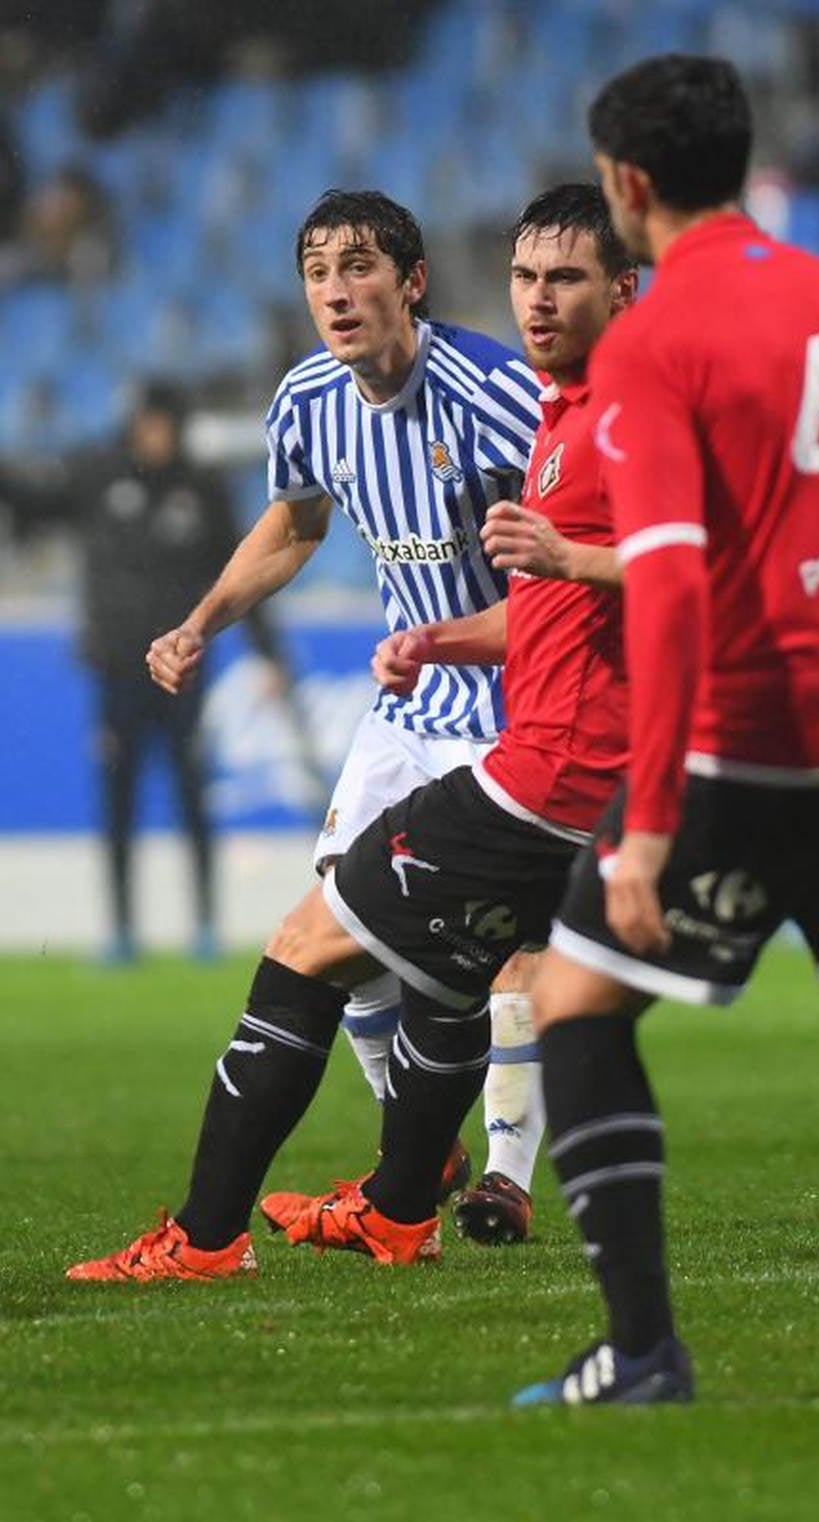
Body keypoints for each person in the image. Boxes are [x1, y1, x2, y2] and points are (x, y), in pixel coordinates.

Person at [65, 182, 638, 1282]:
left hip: (516, 712)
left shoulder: (504, 395)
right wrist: (200, 622)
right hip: (408, 709)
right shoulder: (310, 401)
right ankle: (412, 1181)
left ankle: (429, 1188)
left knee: (398, 959)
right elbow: (296, 520)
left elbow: (581, 566)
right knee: (365, 949)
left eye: (360, 267)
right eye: (318, 271)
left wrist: (472, 638)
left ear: (411, 283)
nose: (337, 290)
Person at [512, 53, 819, 1410]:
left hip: (751, 742)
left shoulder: (656, 343)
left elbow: (670, 584)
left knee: (573, 1002)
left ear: (626, 186)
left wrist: (651, 826)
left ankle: (643, 1352)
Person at [76, 381, 287, 963]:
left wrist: (268, 656)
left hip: (182, 674)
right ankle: (119, 930)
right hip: (117, 673)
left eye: (163, 423)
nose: (154, 435)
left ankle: (204, 924)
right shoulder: (101, 480)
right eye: (146, 423)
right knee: (118, 800)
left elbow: (244, 578)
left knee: (193, 795)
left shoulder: (202, 489)